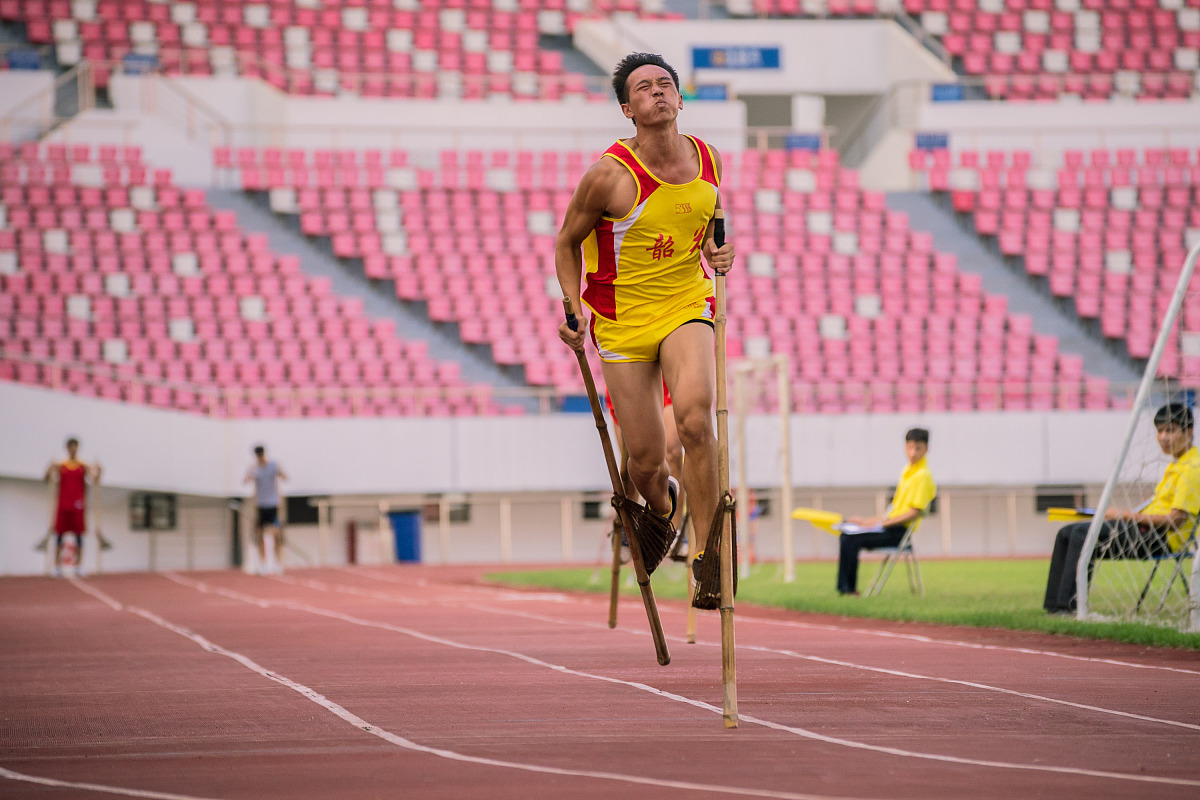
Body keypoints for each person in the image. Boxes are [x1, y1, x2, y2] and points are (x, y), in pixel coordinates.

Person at [556, 52, 735, 582]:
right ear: (626, 109)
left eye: (665, 85)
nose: (657, 92)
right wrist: (572, 308)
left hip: (685, 303)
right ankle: (665, 506)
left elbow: (704, 223)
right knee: (647, 465)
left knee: (697, 420)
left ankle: (709, 553)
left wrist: (717, 253)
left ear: (680, 98)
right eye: (643, 89)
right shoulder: (606, 177)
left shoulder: (710, 159)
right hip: (621, 320)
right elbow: (566, 243)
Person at [1044, 403, 1200, 614]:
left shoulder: (1193, 468)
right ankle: (1053, 606)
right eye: (1160, 431)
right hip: (1145, 530)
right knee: (1066, 533)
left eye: (1170, 430)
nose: (1163, 437)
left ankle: (1068, 608)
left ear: (1189, 431)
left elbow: (1175, 520)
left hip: (1162, 538)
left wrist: (1125, 515)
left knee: (1082, 534)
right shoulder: (1176, 464)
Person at [836, 428, 936, 596]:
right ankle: (845, 589)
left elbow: (913, 513)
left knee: (850, 539)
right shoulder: (906, 472)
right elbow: (892, 510)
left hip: (899, 533)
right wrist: (865, 521)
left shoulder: (923, 476)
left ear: (927, 449)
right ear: (905, 447)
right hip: (888, 526)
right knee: (846, 533)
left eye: (918, 448)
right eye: (910, 447)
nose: (913, 452)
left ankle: (848, 590)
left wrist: (880, 524)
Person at [606, 380, 686, 561]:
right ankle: (628, 527)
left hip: (664, 374)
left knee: (672, 451)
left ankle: (672, 529)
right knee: (630, 465)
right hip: (627, 369)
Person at [44, 437, 101, 577]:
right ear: (67, 448)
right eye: (71, 447)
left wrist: (98, 470)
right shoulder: (60, 465)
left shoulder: (83, 466)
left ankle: (79, 566)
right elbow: (46, 478)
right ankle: (56, 566)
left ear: (78, 448)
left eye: (75, 447)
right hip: (63, 504)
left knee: (79, 537)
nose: (73, 449)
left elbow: (94, 479)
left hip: (78, 505)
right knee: (59, 535)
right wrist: (49, 467)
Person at [245, 445, 288, 574]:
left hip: (273, 505)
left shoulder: (273, 466)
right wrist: (250, 471)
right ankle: (263, 563)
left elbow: (284, 477)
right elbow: (246, 480)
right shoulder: (255, 468)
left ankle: (278, 562)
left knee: (276, 534)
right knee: (259, 534)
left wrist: (279, 471)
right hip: (260, 505)